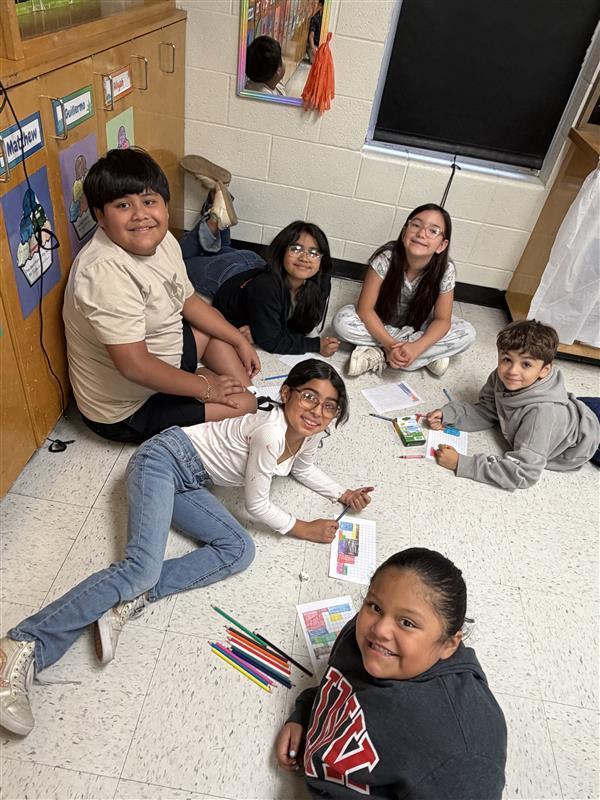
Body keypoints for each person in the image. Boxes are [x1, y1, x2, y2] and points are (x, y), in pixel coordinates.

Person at [0, 359, 373, 737]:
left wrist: (342, 492)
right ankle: (20, 646)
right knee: (139, 567)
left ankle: (130, 598)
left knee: (238, 549)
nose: (317, 411)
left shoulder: (305, 434)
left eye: (330, 406)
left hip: (192, 481)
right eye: (309, 397)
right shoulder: (271, 433)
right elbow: (255, 505)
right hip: (161, 461)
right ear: (286, 393)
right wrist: (302, 528)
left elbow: (302, 469)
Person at [63, 148, 260, 444]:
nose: (140, 214)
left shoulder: (162, 238)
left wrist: (238, 340)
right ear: (100, 217)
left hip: (164, 356)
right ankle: (203, 385)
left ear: (165, 207)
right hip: (129, 408)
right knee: (245, 405)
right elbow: (134, 365)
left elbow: (189, 301)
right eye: (122, 205)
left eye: (149, 201)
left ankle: (209, 381)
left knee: (219, 332)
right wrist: (205, 388)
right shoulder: (104, 273)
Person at [275, 547, 507, 799]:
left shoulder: (463, 759)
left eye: (407, 623)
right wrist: (305, 713)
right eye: (374, 606)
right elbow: (342, 684)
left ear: (449, 644)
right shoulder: (366, 636)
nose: (380, 629)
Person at [426, 319, 600, 488]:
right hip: (579, 409)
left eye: (526, 364)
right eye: (507, 359)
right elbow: (488, 411)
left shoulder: (540, 414)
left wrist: (461, 463)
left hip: (591, 441)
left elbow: (523, 472)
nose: (512, 371)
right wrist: (450, 415)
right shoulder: (500, 378)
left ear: (545, 370)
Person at [333, 203, 475, 378]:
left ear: (442, 245)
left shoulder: (446, 270)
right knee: (342, 320)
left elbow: (442, 320)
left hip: (420, 323)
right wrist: (390, 344)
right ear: (404, 232)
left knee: (467, 333)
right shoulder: (385, 258)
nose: (421, 233)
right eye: (415, 225)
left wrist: (417, 347)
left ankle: (380, 354)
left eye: (433, 231)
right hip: (382, 321)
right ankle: (425, 357)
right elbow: (365, 309)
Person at [181, 217, 340, 356]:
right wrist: (316, 345)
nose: (305, 258)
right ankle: (215, 219)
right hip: (227, 273)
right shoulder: (266, 288)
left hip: (255, 264)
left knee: (222, 249)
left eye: (314, 252)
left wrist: (261, 330)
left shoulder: (320, 281)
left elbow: (303, 326)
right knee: (180, 261)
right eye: (296, 249)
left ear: (321, 260)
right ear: (281, 250)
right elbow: (271, 341)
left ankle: (222, 216)